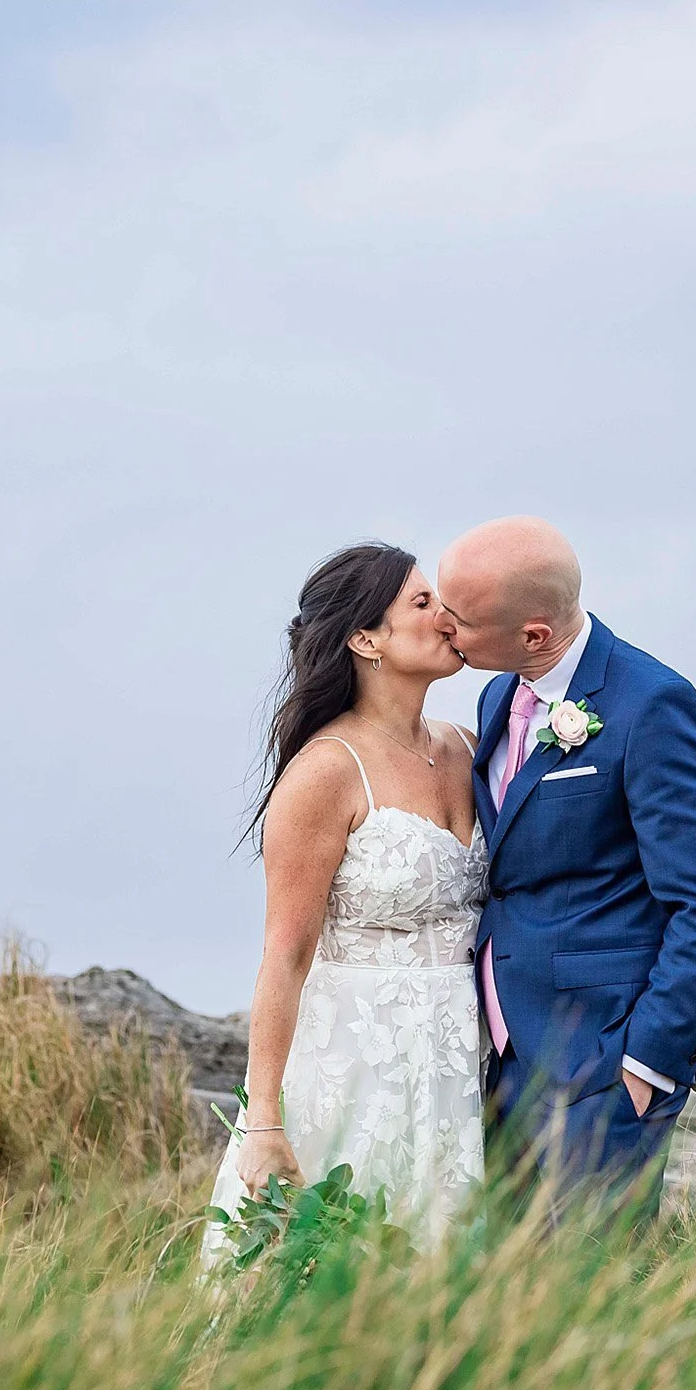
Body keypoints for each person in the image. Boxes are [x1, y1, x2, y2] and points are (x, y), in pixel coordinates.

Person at [435, 516, 696, 1222]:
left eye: (461, 619)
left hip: (601, 1063)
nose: (443, 627)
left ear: (534, 633)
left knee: (592, 1293)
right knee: (514, 1298)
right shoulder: (496, 695)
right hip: (505, 1059)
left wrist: (645, 1065)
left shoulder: (652, 705)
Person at [201, 542, 486, 1267]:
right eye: (422, 604)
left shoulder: (469, 749)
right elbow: (287, 951)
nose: (446, 616)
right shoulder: (325, 772)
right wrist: (262, 1118)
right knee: (338, 1264)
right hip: (357, 1060)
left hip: (461, 1056)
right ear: (366, 640)